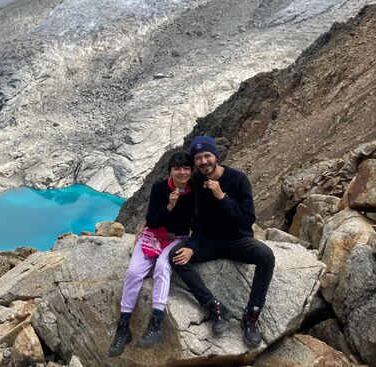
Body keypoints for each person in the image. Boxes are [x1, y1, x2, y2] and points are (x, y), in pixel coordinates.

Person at [169, 135, 274, 347]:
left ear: (216, 156)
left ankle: (251, 316)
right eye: (198, 158)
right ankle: (215, 308)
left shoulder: (237, 179)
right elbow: (198, 224)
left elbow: (247, 219)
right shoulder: (197, 182)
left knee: (266, 257)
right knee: (176, 257)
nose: (203, 161)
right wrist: (191, 246)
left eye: (207, 155)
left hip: (237, 240)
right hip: (210, 242)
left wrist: (222, 198)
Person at [108, 152, 195, 357]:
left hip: (177, 238)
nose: (182, 172)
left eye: (186, 168)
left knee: (163, 267)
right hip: (154, 235)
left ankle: (156, 321)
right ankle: (123, 326)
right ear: (170, 171)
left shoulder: (196, 192)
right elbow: (153, 220)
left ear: (191, 171)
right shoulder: (159, 189)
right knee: (134, 272)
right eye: (177, 168)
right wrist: (170, 206)